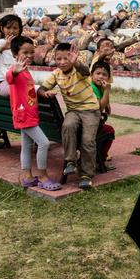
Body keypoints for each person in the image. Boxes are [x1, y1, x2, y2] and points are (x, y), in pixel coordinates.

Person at [37, 43, 100, 191]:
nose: (63, 62)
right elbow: (41, 89)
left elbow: (86, 71)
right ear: (55, 59)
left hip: (90, 110)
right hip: (73, 111)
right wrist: (44, 93)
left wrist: (76, 62)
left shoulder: (79, 70)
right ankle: (71, 161)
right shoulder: (56, 74)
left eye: (66, 58)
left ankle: (86, 175)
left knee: (87, 140)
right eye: (59, 59)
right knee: (67, 126)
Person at [6, 37, 60, 191]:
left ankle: (28, 177)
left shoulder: (26, 71)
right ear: (15, 54)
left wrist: (42, 92)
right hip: (24, 115)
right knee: (44, 143)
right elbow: (10, 78)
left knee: (26, 145)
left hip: (29, 114)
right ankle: (43, 177)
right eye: (25, 52)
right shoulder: (16, 70)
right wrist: (14, 71)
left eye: (32, 52)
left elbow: (27, 88)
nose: (29, 55)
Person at [90, 61, 115, 171]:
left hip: (89, 121)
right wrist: (107, 91)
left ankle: (98, 157)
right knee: (109, 131)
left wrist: (107, 102)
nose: (101, 76)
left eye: (104, 74)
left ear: (108, 77)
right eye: (98, 73)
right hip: (88, 124)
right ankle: (101, 159)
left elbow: (106, 107)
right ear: (91, 75)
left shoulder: (96, 86)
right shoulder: (92, 88)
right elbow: (100, 108)